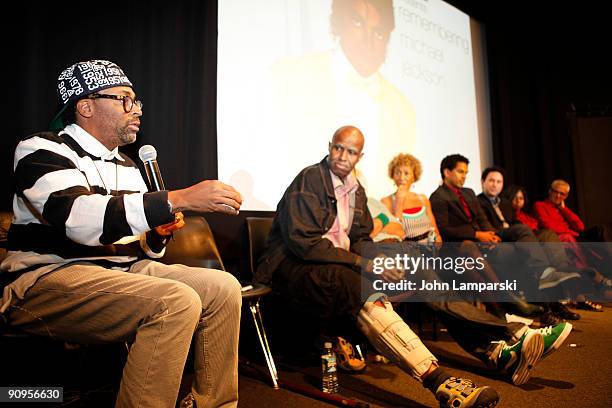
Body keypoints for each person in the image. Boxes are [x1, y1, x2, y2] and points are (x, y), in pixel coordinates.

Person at [255, 126, 572, 405]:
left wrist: (387, 259)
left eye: (351, 151)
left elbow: (362, 237)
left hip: (337, 264)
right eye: (338, 147)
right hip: (291, 268)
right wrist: (363, 263)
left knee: (414, 267)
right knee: (353, 279)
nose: (342, 155)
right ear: (329, 147)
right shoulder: (311, 178)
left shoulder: (356, 190)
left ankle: (501, 348)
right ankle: (439, 381)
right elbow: (304, 243)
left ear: (359, 156)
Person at [0, 60, 243, 408]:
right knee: (174, 301)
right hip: (45, 278)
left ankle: (212, 404)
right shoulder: (41, 149)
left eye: (137, 101)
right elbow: (77, 218)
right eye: (124, 99)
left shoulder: (129, 166)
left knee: (223, 288)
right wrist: (179, 198)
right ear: (85, 107)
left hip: (120, 272)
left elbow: (140, 249)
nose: (137, 109)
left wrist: (157, 235)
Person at [269, 0, 415, 200]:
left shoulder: (403, 109)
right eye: (357, 22)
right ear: (337, 22)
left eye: (379, 33)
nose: (367, 39)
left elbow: (366, 225)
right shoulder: (287, 74)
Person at [380, 153, 441, 243]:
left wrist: (438, 240)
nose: (401, 177)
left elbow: (435, 230)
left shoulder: (422, 199)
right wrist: (399, 202)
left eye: (406, 173)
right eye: (397, 173)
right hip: (406, 250)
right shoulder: (386, 201)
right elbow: (394, 234)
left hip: (429, 249)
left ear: (414, 177)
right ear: (392, 176)